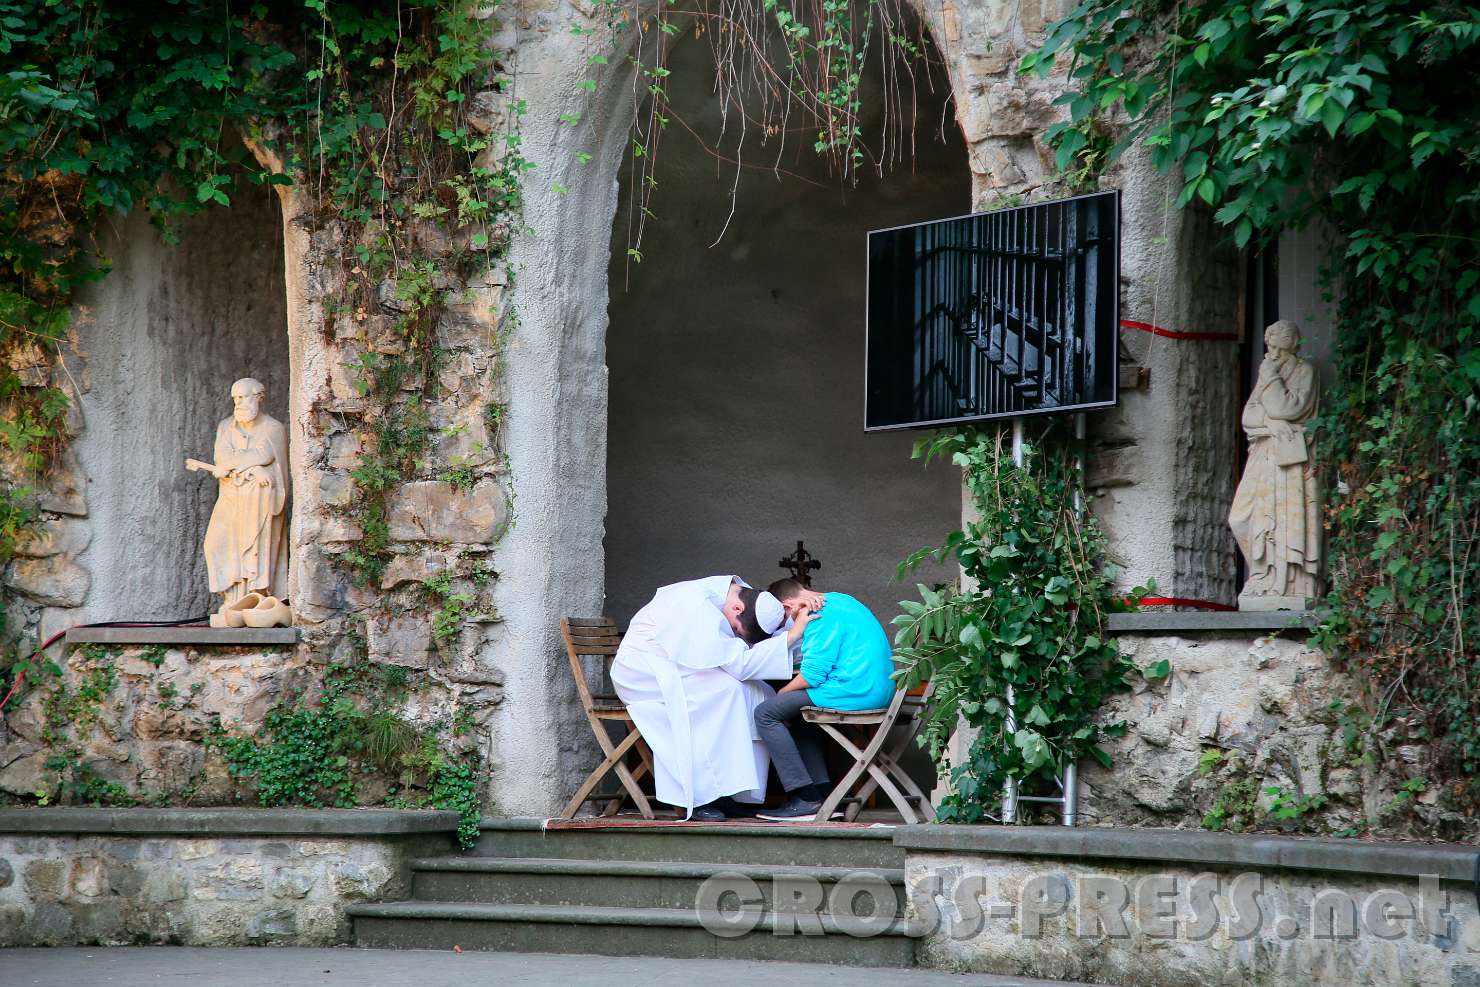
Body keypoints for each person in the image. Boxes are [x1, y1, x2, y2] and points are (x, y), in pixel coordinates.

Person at [611, 576, 818, 821]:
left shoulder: (745, 598)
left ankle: (727, 792)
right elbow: (739, 664)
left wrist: (798, 623)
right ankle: (701, 798)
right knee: (726, 692)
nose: (734, 633)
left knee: (757, 692)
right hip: (646, 672)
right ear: (737, 609)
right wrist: (791, 637)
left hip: (681, 666)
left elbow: (763, 639)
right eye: (736, 630)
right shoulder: (696, 606)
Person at [754, 578, 895, 821]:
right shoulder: (840, 599)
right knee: (796, 717)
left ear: (789, 607)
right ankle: (823, 795)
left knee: (766, 712)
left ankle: (804, 797)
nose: (786, 625)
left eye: (782, 619)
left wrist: (781, 693)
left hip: (857, 691)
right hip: (876, 687)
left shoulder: (817, 614)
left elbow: (812, 675)